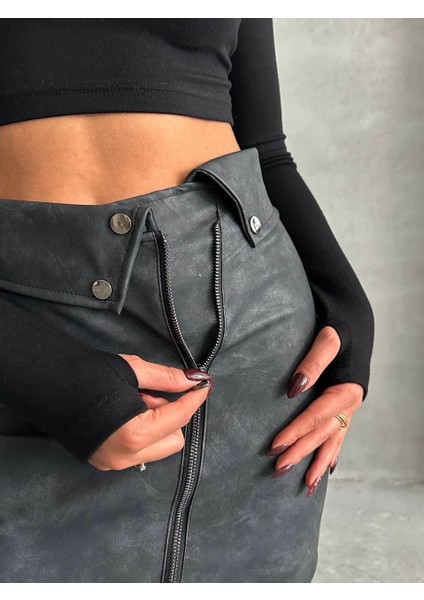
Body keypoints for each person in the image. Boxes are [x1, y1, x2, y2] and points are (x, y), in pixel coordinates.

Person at [0, 18, 374, 583]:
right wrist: (44, 373)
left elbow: (266, 152)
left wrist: (350, 311)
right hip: (28, 341)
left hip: (256, 352)